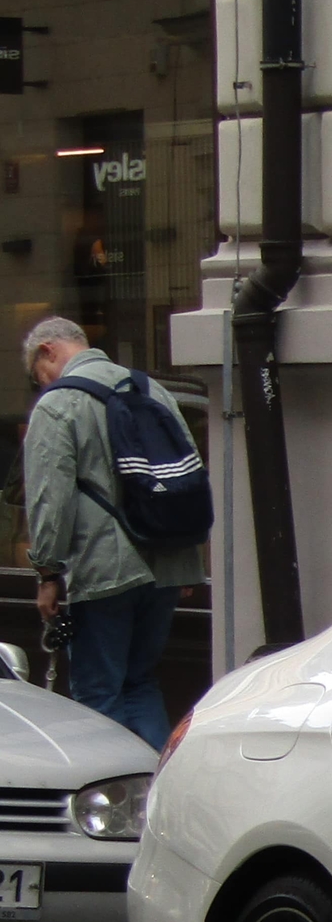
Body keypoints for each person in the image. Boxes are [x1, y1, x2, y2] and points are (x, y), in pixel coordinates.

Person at [22, 318, 204, 749]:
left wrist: (48, 572)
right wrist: (187, 555)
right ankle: (160, 790)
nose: (41, 384)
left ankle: (114, 801)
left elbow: (52, 499)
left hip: (106, 569)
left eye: (37, 374)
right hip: (168, 561)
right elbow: (190, 474)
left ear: (48, 351)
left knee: (97, 694)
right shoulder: (150, 389)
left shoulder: (58, 403)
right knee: (140, 683)